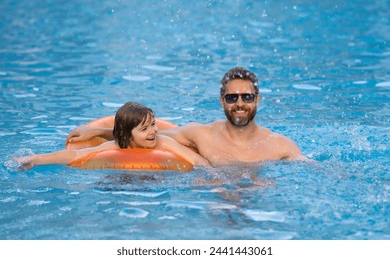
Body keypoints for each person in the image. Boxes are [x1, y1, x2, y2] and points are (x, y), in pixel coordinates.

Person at [67, 67, 307, 167]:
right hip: (209, 196)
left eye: (247, 97)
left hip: (259, 199)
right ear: (222, 100)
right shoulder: (199, 134)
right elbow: (149, 136)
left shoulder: (279, 144)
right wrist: (97, 132)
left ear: (258, 99)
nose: (240, 104)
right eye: (232, 98)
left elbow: (310, 167)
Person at [14, 102, 210, 169]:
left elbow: (197, 160)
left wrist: (210, 177)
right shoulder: (116, 147)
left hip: (157, 178)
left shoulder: (164, 142)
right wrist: (37, 159)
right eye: (144, 129)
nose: (153, 131)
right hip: (121, 177)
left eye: (153, 124)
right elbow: (76, 156)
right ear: (127, 136)